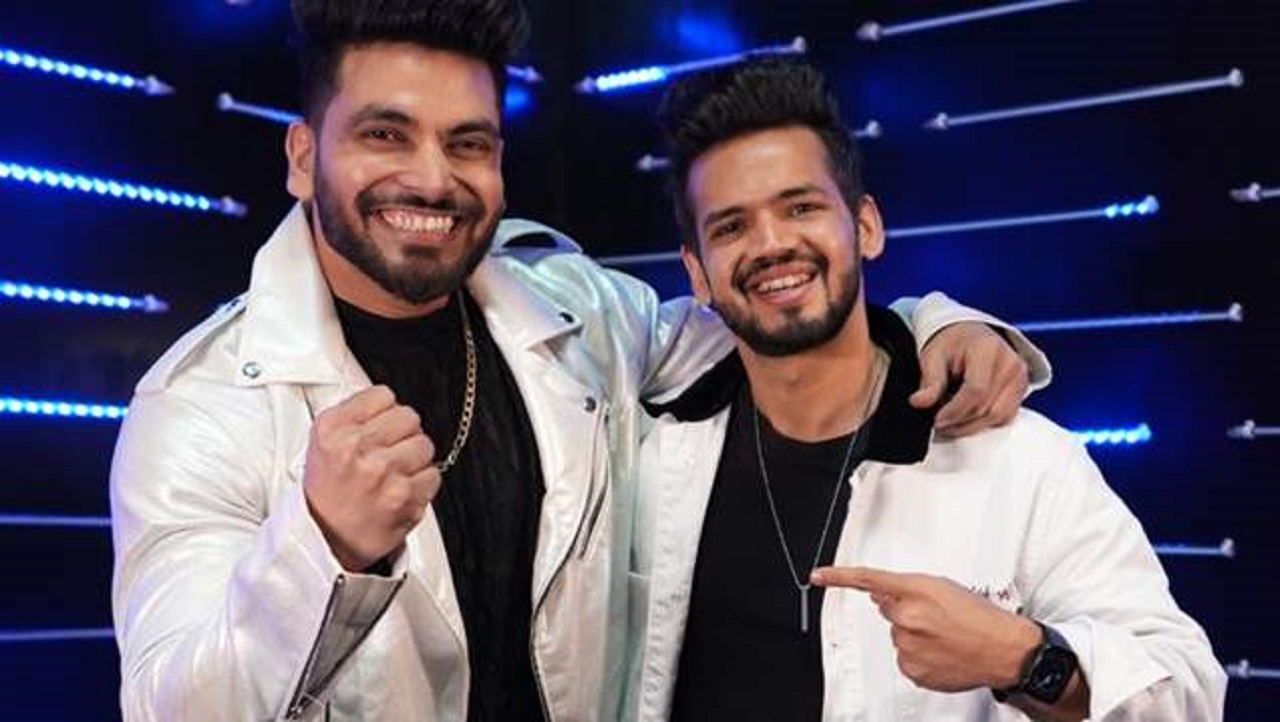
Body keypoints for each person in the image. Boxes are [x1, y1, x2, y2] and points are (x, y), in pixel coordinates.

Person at [109, 2, 1046, 721]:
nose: (432, 176)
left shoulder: (577, 313)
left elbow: (774, 317)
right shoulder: (202, 404)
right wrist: (320, 547)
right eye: (385, 134)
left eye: (468, 143)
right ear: (303, 155)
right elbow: (170, 706)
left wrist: (935, 324)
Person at [627, 58, 1226, 721]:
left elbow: (1189, 696)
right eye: (731, 226)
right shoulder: (646, 456)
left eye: (801, 207)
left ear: (866, 227)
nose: (771, 244)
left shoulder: (1021, 461)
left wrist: (1026, 658)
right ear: (698, 272)